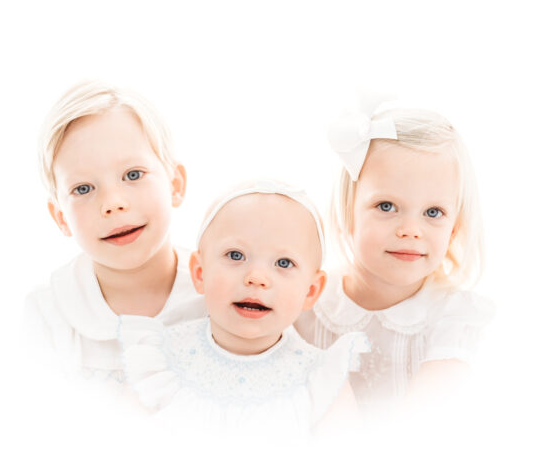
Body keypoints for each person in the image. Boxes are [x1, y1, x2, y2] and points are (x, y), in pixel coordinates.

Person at [119, 180, 369, 434]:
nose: (256, 277)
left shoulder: (321, 379)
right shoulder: (160, 362)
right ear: (199, 273)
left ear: (311, 291)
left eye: (283, 263)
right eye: (236, 256)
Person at [295, 95, 493, 413]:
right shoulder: (306, 302)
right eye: (387, 206)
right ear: (348, 211)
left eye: (433, 212)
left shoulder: (453, 318)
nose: (411, 230)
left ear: (454, 228)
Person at [25, 80, 206, 388]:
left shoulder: (221, 294)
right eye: (83, 189)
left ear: (175, 185)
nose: (112, 203)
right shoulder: (48, 317)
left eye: (132, 175)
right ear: (60, 217)